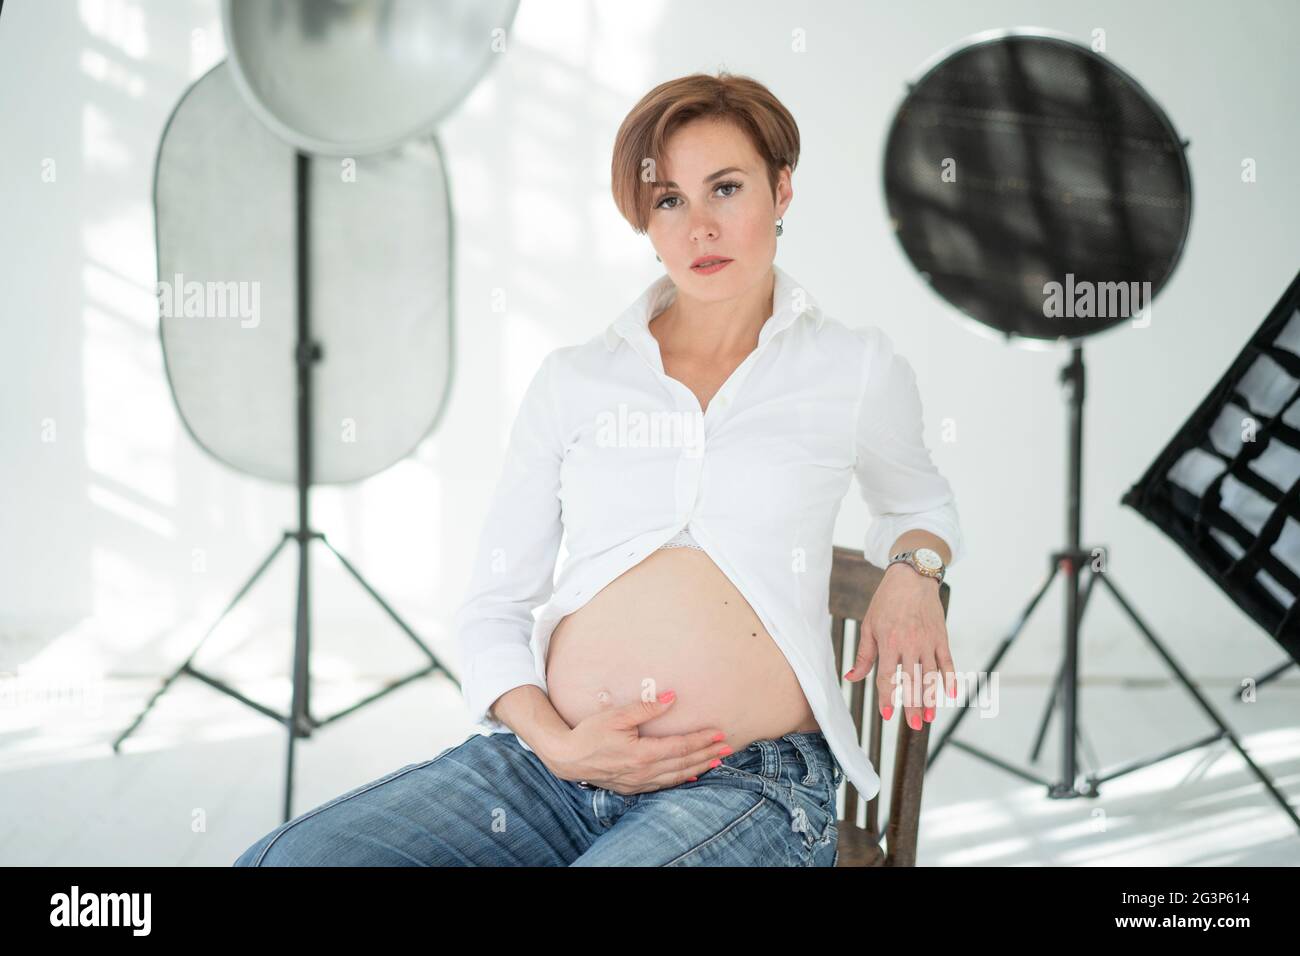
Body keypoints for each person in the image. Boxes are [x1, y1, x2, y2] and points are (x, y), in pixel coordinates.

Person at [234, 70, 964, 867]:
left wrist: (915, 568)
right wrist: (557, 743)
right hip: (550, 768)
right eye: (669, 201)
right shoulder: (576, 379)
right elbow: (493, 607)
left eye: (726, 188)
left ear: (782, 190)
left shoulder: (852, 368)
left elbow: (918, 500)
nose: (699, 228)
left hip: (747, 785)